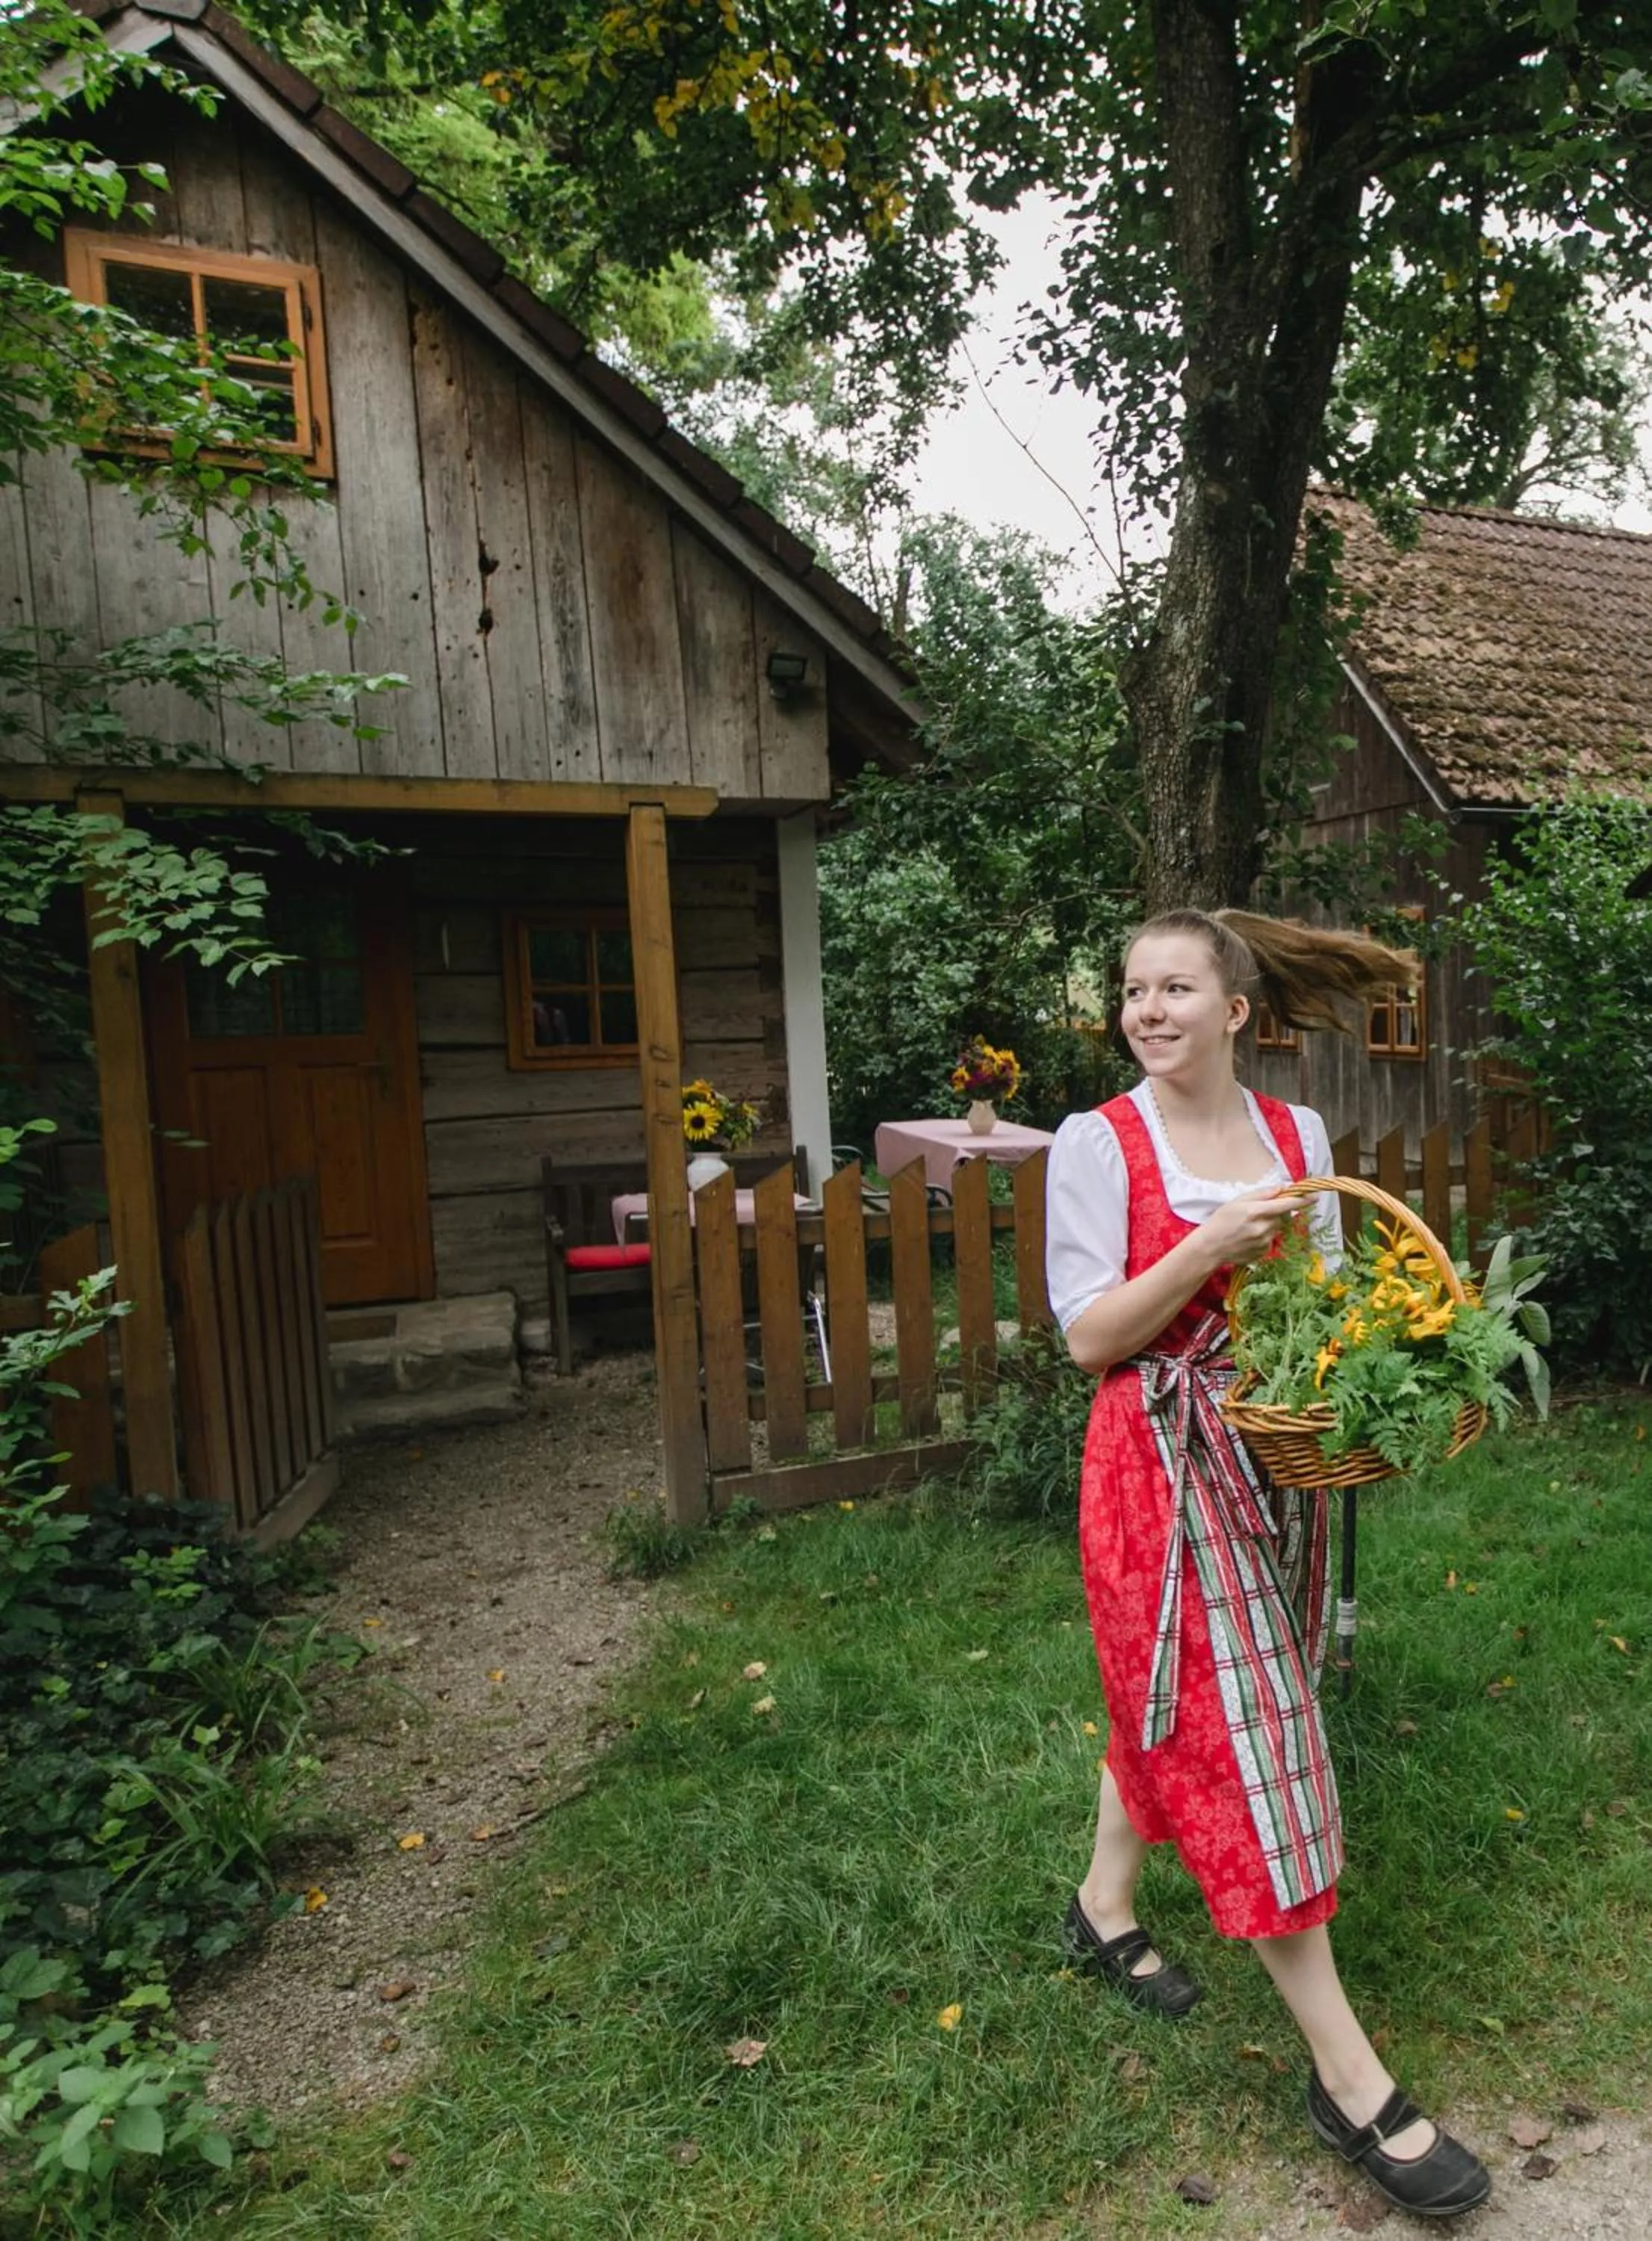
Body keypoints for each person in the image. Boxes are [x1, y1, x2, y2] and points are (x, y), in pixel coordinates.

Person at [1045, 907, 1490, 2221]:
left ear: (1235, 1009)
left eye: (1175, 987)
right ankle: (1352, 2082)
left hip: (1269, 1460)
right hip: (1155, 1469)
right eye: (1134, 990)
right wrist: (1205, 1247)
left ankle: (1102, 1906)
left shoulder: (1299, 1136)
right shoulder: (1097, 1143)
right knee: (1255, 1741)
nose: (1148, 1009)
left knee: (1199, 1699)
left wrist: (1388, 1379)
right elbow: (1089, 1340)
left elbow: (1333, 1308)